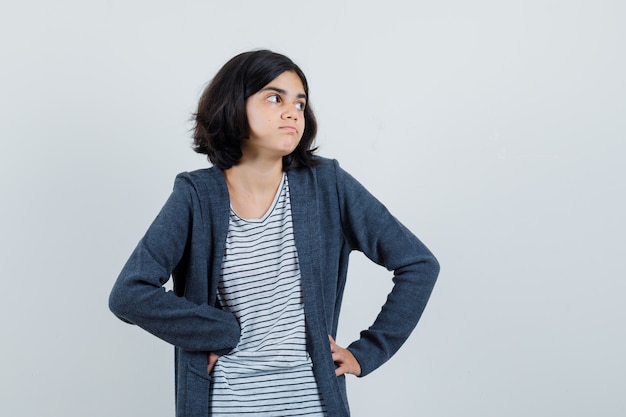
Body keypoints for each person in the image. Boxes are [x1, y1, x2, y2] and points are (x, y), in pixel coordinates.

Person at [109, 49, 439, 417]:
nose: (291, 112)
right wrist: (216, 331)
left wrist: (368, 352)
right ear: (234, 105)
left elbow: (418, 264)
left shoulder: (327, 186)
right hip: (228, 405)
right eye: (273, 98)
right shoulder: (196, 197)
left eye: (300, 103)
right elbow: (129, 294)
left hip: (313, 404)